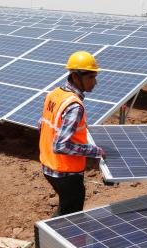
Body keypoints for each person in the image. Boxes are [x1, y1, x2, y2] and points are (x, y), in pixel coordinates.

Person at [39, 51, 105, 218]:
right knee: (69, 217)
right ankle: (48, 241)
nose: (95, 82)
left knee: (66, 208)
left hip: (49, 167)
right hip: (66, 172)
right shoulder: (74, 106)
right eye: (90, 77)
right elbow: (61, 145)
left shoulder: (54, 94)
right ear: (76, 77)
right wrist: (95, 152)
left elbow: (42, 125)